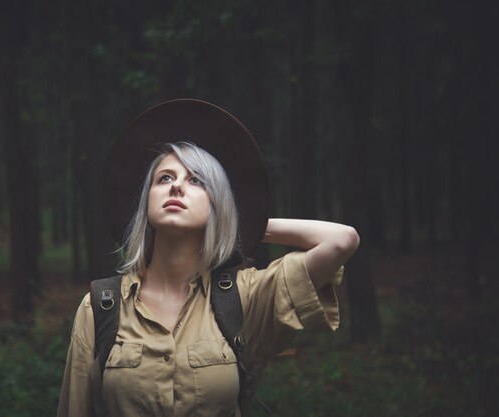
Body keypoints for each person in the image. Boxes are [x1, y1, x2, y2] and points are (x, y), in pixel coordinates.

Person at [57, 99, 359, 417]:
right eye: (164, 178)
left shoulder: (245, 298)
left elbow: (341, 240)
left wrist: (244, 224)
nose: (176, 186)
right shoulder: (100, 307)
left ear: (217, 205)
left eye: (196, 180)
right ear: (146, 203)